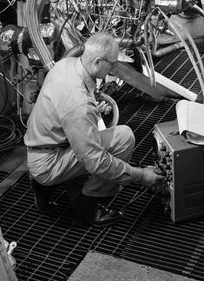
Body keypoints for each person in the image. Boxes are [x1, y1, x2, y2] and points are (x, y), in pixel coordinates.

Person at [24, 32, 165, 227]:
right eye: (113, 64)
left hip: (42, 146)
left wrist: (92, 109)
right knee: (123, 138)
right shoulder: (79, 104)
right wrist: (140, 175)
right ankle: (85, 205)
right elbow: (95, 161)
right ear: (98, 62)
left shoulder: (66, 65)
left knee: (103, 141)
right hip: (48, 162)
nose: (115, 68)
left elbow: (62, 110)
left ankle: (45, 187)